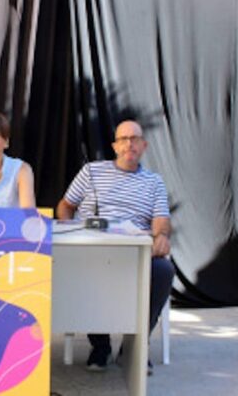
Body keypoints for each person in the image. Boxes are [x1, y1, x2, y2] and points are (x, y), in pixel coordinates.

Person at [56, 120, 174, 375]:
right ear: (114, 145)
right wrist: (68, 229)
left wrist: (162, 235)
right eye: (123, 139)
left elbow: (161, 221)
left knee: (163, 271)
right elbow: (65, 205)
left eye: (134, 139)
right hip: (90, 248)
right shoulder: (91, 172)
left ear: (144, 145)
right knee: (78, 266)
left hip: (134, 253)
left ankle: (135, 347)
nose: (129, 143)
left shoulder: (154, 182)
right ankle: (100, 346)